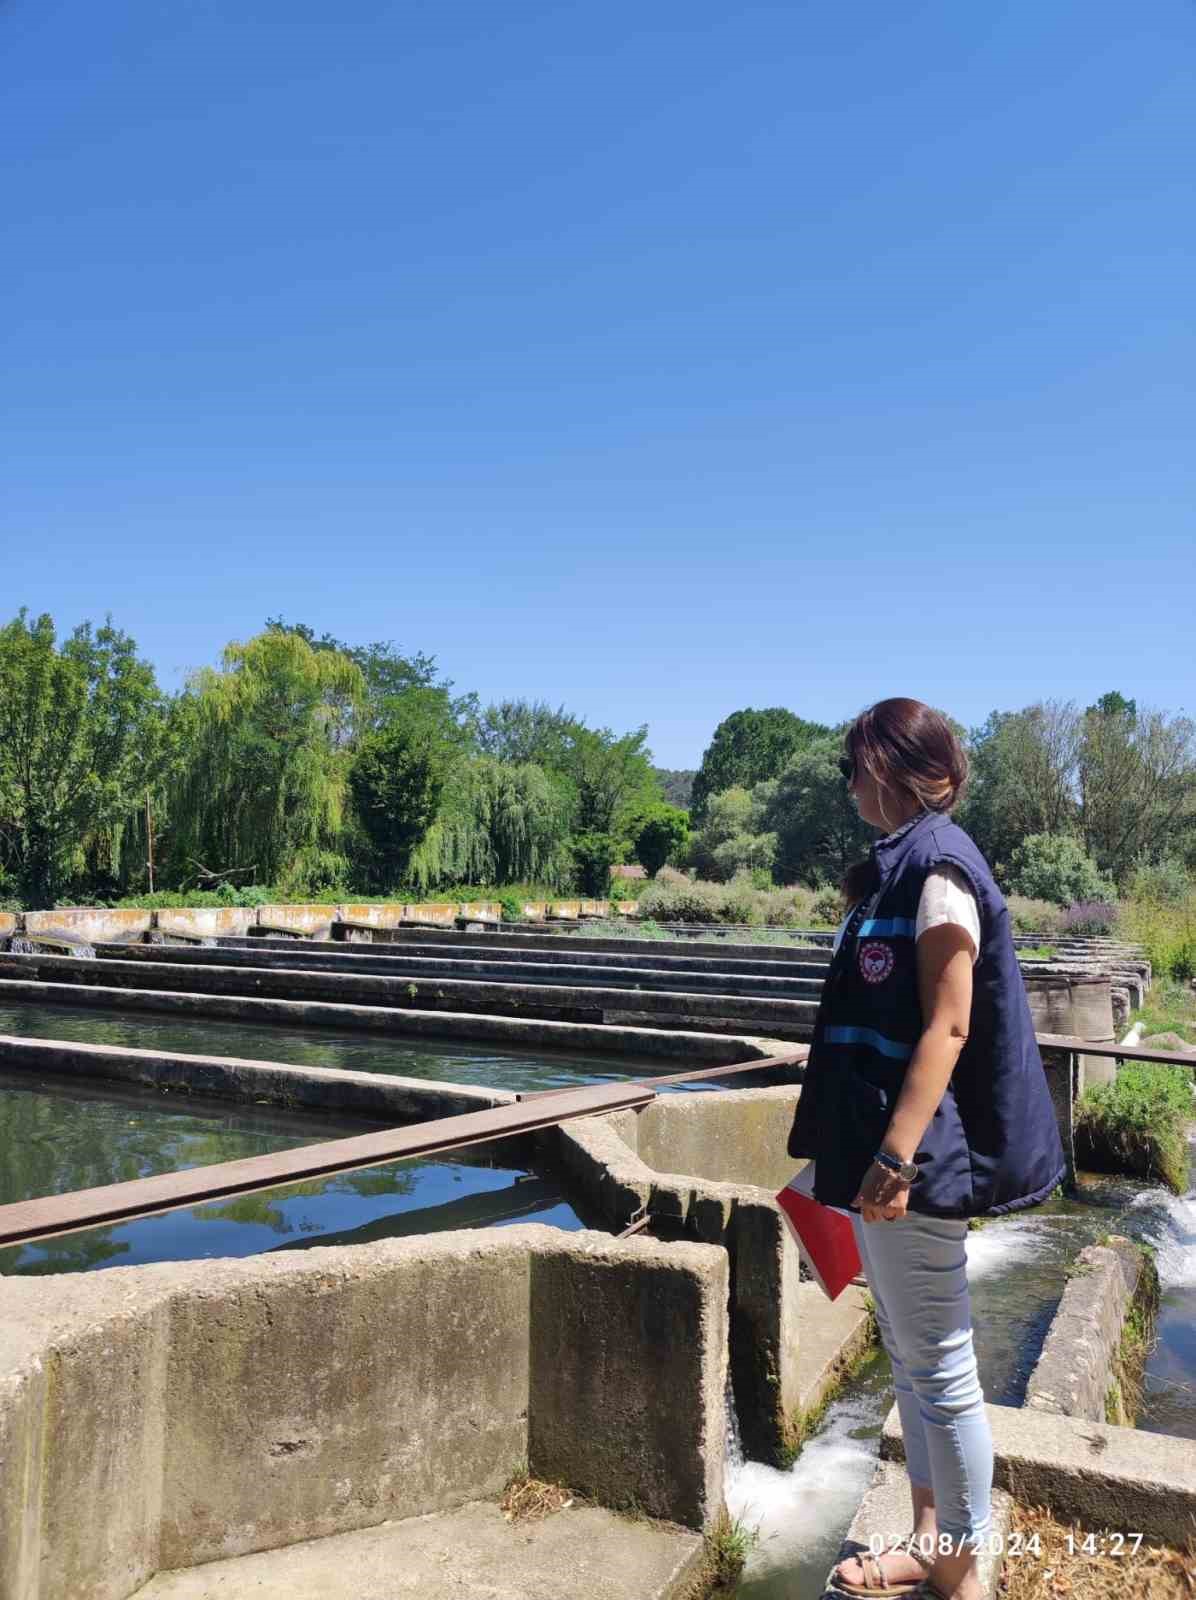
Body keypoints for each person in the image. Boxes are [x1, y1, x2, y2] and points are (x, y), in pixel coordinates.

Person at [785, 698, 1065, 1600]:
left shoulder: (940, 866)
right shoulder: (898, 868)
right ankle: (928, 1539)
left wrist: (894, 1159)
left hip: (911, 1163)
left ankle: (962, 1572)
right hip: (881, 1153)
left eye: (853, 765)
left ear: (894, 768)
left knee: (940, 1362)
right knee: (913, 1356)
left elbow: (949, 1023)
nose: (847, 783)